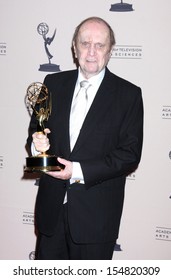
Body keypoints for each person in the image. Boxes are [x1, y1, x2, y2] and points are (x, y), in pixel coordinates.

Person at [27, 16, 143, 260]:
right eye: (85, 43)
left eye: (100, 45)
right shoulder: (53, 83)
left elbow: (129, 155)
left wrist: (76, 171)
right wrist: (38, 146)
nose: (91, 52)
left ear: (110, 50)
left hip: (96, 220)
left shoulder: (129, 95)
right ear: (74, 47)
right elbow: (36, 130)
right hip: (51, 214)